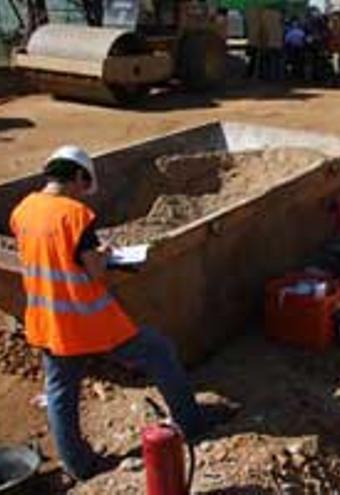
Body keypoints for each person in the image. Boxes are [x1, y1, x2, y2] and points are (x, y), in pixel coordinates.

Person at [9, 146, 204, 481]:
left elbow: (52, 254)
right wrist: (104, 254)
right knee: (158, 351)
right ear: (79, 176)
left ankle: (78, 466)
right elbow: (95, 271)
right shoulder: (75, 216)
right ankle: (191, 423)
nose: (84, 193)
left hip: (46, 321)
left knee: (59, 393)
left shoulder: (24, 209)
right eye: (85, 186)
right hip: (86, 321)